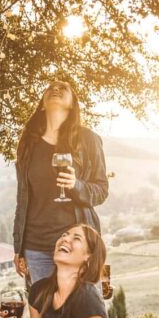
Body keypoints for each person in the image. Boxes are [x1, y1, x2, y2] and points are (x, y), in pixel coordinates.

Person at [13, 79, 108, 286]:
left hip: (78, 247)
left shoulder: (88, 139)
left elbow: (101, 190)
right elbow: (23, 199)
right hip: (36, 246)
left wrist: (76, 185)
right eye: (50, 88)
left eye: (63, 88)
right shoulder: (28, 143)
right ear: (43, 102)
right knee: (46, 315)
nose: (55, 89)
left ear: (73, 103)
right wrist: (18, 247)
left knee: (87, 311)